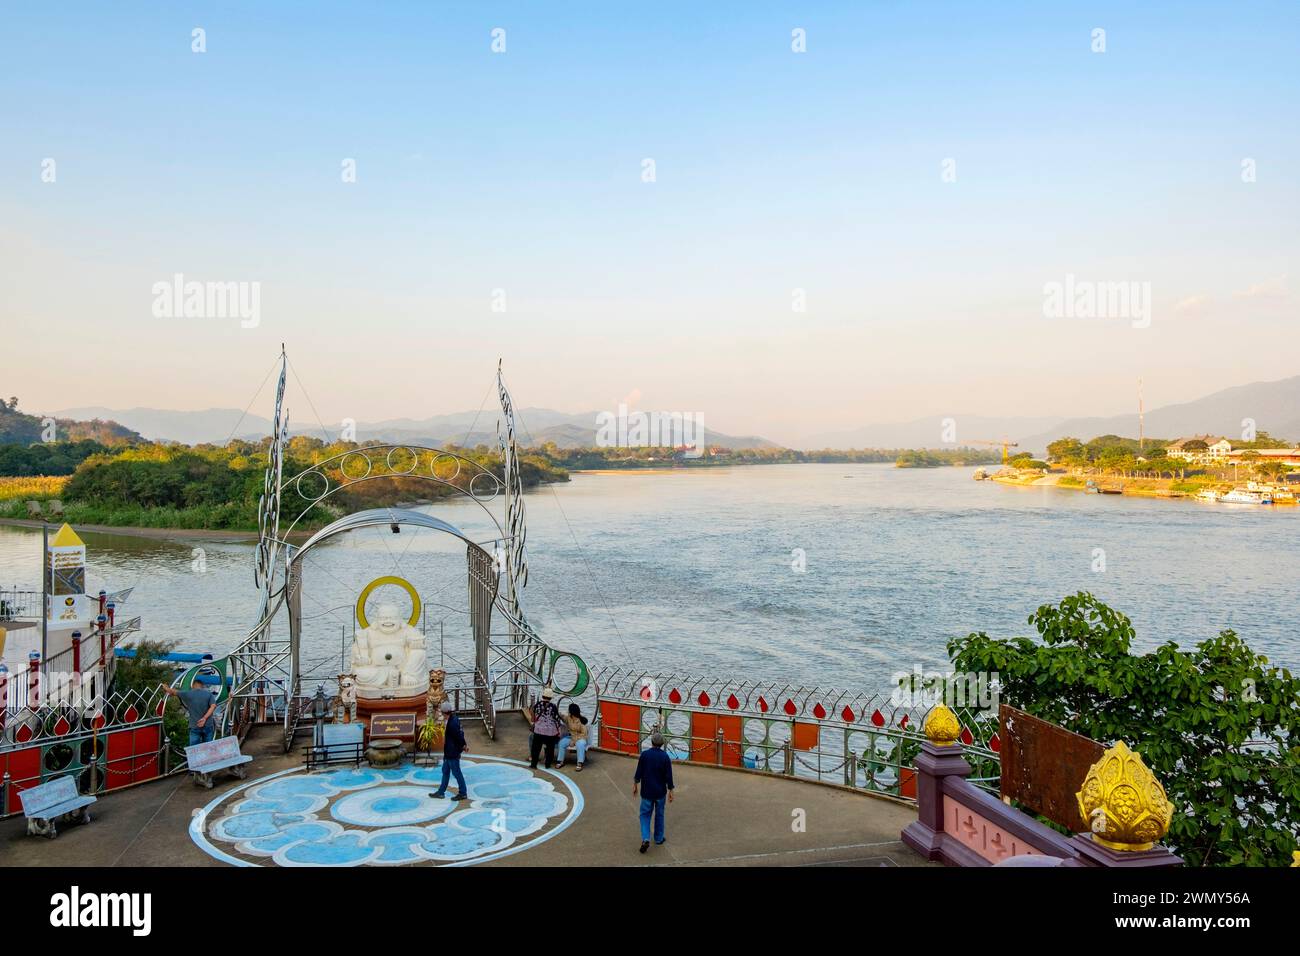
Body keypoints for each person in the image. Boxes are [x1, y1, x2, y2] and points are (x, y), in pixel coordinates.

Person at [632, 732, 675, 853]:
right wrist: (671, 790)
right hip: (660, 792)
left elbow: (639, 772)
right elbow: (669, 776)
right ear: (662, 744)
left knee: (645, 815)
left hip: (647, 792)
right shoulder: (665, 757)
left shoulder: (645, 755)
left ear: (651, 742)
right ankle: (659, 838)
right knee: (659, 815)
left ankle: (646, 838)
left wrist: (635, 784)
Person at [428, 700, 469, 801]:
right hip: (448, 752)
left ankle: (463, 793)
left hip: (452, 752)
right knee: (445, 771)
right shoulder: (453, 719)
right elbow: (460, 734)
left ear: (443, 712)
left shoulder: (452, 724)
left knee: (456, 773)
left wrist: (463, 745)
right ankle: (441, 792)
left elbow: (459, 736)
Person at [163, 681, 217, 746]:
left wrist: (165, 687)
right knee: (208, 748)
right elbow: (213, 706)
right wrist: (204, 718)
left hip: (195, 725)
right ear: (202, 686)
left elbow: (172, 691)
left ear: (193, 686)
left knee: (193, 749)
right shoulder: (209, 694)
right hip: (208, 725)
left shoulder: (188, 693)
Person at [526, 686, 563, 769]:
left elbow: (533, 717)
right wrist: (559, 731)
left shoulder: (537, 705)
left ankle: (533, 764)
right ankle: (547, 764)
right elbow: (556, 720)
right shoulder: (553, 707)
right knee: (550, 749)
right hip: (550, 732)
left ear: (543, 696)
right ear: (550, 697)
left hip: (538, 731)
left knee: (536, 748)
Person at [555, 703, 589, 771]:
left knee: (580, 745)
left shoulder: (581, 720)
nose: (568, 711)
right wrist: (557, 711)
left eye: (569, 710)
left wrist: (574, 741)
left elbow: (584, 734)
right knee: (562, 743)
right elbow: (562, 717)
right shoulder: (569, 718)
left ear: (572, 712)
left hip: (580, 738)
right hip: (571, 737)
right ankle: (560, 761)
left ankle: (579, 763)